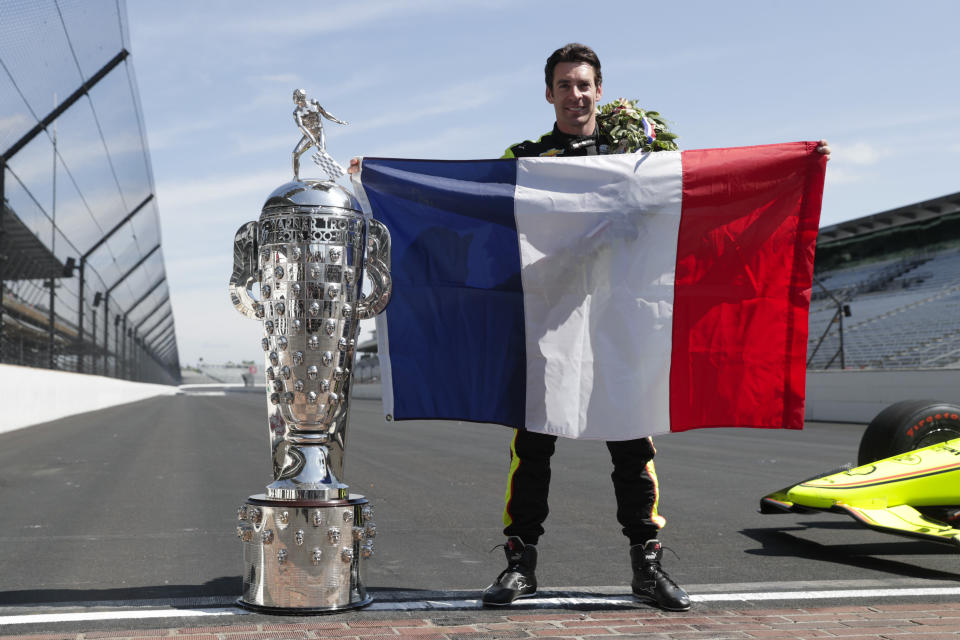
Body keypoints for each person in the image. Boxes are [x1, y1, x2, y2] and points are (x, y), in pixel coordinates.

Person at [348, 43, 830, 611]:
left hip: (623, 319)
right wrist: (381, 182)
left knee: (632, 444)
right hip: (548, 321)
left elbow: (694, 198)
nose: (575, 95)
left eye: (584, 85)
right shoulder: (523, 158)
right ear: (548, 93)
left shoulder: (642, 157)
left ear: (600, 90)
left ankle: (647, 565)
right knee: (532, 446)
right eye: (564, 85)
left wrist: (800, 162)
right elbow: (477, 206)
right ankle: (519, 564)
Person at [292, 88, 348, 180]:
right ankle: (295, 177)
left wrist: (338, 121)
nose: (293, 99)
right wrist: (312, 139)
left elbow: (324, 113)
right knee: (295, 153)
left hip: (319, 131)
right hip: (308, 135)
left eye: (295, 96)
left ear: (300, 97)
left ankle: (332, 176)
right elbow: (301, 127)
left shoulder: (314, 103)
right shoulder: (297, 112)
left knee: (322, 152)